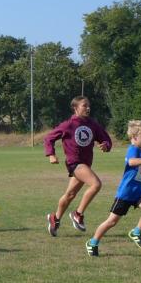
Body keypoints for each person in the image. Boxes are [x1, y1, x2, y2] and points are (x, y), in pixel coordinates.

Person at [85, 120, 141, 257]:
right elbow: (132, 162)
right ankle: (93, 242)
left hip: (138, 193)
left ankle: (136, 232)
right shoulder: (133, 149)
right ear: (134, 137)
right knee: (111, 222)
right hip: (126, 194)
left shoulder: (139, 150)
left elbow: (137, 165)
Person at [43, 95, 112, 236]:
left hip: (85, 165)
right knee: (96, 184)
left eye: (89, 105)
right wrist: (51, 154)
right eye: (84, 105)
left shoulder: (93, 125)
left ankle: (55, 219)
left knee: (70, 194)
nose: (88, 108)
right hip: (74, 163)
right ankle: (77, 214)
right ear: (75, 108)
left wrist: (106, 145)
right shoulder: (68, 125)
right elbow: (49, 138)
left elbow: (105, 138)